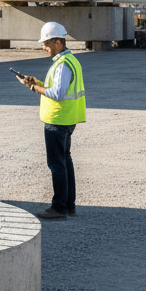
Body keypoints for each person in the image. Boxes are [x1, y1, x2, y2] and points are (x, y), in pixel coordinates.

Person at [17, 21, 86, 220]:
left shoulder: (63, 64)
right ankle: (69, 205)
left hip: (57, 121)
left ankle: (59, 208)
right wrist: (37, 82)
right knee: (65, 162)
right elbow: (58, 87)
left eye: (46, 43)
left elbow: (56, 93)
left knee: (57, 164)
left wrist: (32, 88)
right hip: (67, 119)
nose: (43, 47)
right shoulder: (70, 61)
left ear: (58, 42)